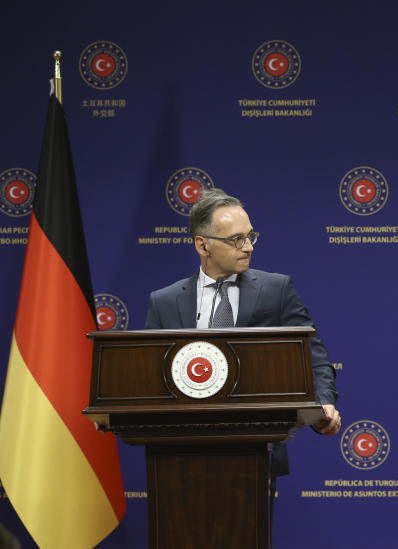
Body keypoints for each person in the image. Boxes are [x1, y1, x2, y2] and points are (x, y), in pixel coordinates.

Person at [144, 188, 341, 474]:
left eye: (250, 236)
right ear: (203, 246)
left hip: (258, 453)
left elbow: (313, 357)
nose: (248, 246)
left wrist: (324, 405)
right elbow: (150, 376)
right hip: (180, 455)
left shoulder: (277, 290)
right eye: (237, 239)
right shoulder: (164, 302)